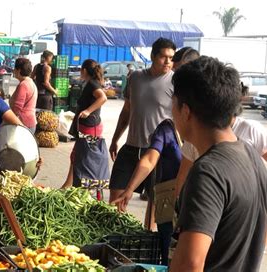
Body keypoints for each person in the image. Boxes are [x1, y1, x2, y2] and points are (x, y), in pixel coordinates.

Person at [170, 57, 267, 271]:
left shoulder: (208, 171)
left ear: (185, 111)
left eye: (173, 102)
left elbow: (190, 264)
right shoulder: (251, 155)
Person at [108, 38, 176, 204]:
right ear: (152, 56)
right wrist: (115, 139)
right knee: (115, 199)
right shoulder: (136, 78)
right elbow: (126, 111)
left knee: (156, 209)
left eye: (171, 58)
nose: (168, 61)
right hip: (131, 148)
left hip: (159, 153)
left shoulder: (176, 82)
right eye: (163, 57)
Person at [112, 118, 181, 265]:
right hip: (169, 205)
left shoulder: (205, 129)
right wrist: (129, 189)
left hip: (194, 205)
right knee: (168, 251)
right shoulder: (167, 129)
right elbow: (149, 159)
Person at [61, 59, 107, 188]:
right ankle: (68, 185)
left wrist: (88, 111)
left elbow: (103, 98)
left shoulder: (93, 84)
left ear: (84, 70)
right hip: (86, 126)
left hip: (91, 127)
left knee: (85, 157)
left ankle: (81, 186)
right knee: (77, 155)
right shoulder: (89, 83)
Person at [10, 58, 38, 132]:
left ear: (18, 70)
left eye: (14, 69)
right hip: (30, 122)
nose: (13, 71)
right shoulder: (30, 82)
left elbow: (17, 108)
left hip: (23, 123)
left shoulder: (23, 85)